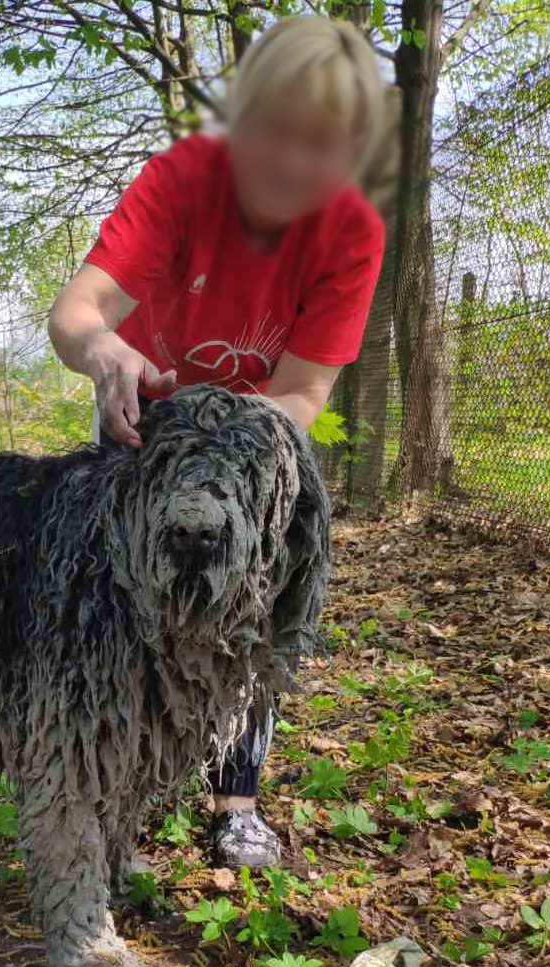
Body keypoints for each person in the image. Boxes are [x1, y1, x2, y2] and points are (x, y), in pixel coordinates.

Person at [47, 16, 386, 868]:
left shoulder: (351, 233)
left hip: (252, 440)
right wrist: (105, 353)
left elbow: (302, 392)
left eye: (325, 144)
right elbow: (76, 313)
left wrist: (233, 464)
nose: (293, 163)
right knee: (125, 605)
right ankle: (119, 785)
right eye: (275, 131)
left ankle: (237, 797)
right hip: (144, 427)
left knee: (251, 596)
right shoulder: (182, 180)